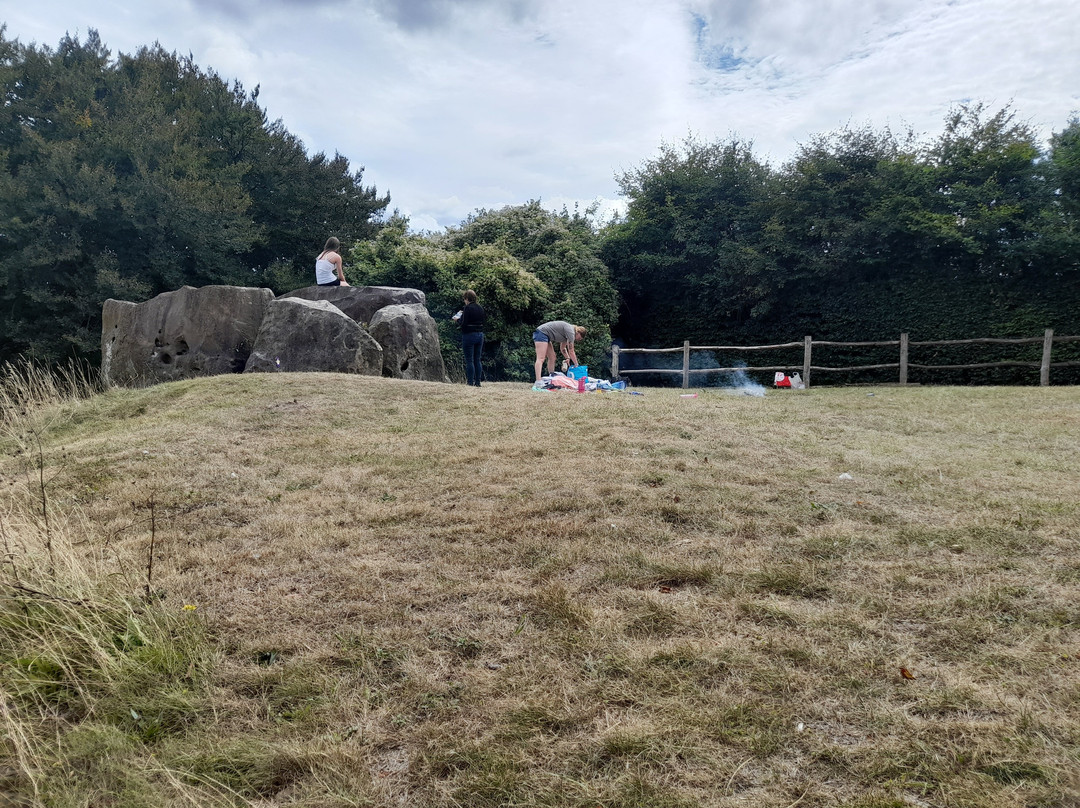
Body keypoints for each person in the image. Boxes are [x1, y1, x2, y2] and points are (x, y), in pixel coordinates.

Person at [457, 290, 486, 387]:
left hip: (469, 335)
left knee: (469, 360)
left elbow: (463, 323)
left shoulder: (467, 308)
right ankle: (478, 382)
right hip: (480, 334)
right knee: (477, 359)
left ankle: (470, 382)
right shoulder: (480, 308)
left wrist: (457, 319)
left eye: (464, 299)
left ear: (467, 299)